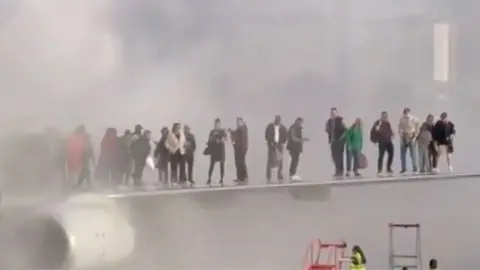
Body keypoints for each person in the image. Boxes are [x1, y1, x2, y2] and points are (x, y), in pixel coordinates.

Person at [265, 115, 288, 183]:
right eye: (277, 119)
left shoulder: (283, 127)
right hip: (272, 145)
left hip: (279, 145)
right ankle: (268, 175)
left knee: (280, 160)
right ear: (275, 119)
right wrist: (270, 142)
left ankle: (279, 174)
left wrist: (282, 142)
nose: (278, 121)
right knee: (270, 160)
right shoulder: (270, 126)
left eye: (279, 119)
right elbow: (267, 135)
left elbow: (286, 136)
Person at [325, 108, 348, 177]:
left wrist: (342, 138)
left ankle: (339, 171)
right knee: (334, 156)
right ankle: (338, 171)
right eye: (332, 113)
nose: (333, 114)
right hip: (332, 141)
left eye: (334, 113)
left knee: (339, 156)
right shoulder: (329, 121)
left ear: (336, 113)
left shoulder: (339, 121)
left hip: (339, 142)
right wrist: (328, 130)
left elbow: (345, 130)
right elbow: (328, 129)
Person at [370, 111, 394, 176]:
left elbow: (390, 130)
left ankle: (388, 168)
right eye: (384, 116)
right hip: (382, 141)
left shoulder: (387, 123)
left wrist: (392, 134)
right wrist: (374, 140)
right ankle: (379, 170)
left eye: (386, 116)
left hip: (388, 141)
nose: (385, 117)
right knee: (381, 155)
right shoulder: (378, 123)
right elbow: (373, 131)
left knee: (391, 154)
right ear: (381, 116)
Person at [398, 108, 420, 173]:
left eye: (407, 113)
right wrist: (401, 138)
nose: (406, 114)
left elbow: (418, 126)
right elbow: (400, 128)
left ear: (409, 113)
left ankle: (415, 167)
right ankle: (403, 168)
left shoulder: (413, 118)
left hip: (411, 135)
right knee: (402, 154)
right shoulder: (401, 119)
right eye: (405, 113)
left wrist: (415, 137)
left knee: (413, 153)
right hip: (404, 135)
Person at [206, 118, 227, 185]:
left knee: (222, 165)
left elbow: (225, 139)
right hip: (214, 150)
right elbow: (209, 140)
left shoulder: (222, 131)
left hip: (220, 150)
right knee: (211, 165)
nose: (216, 125)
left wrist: (220, 140)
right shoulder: (212, 131)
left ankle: (221, 179)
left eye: (217, 124)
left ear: (219, 124)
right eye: (215, 124)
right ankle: (209, 178)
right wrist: (213, 140)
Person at [230, 117, 248, 184]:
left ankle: (242, 177)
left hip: (240, 149)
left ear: (242, 122)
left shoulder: (242, 129)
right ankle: (241, 177)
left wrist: (231, 132)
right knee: (240, 163)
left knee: (240, 163)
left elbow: (237, 134)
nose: (238, 123)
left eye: (239, 122)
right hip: (240, 148)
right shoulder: (243, 129)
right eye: (237, 122)